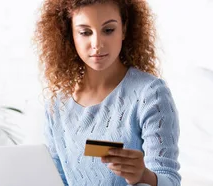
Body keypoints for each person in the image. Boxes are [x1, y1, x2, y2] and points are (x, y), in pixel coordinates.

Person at [33, 0, 181, 185]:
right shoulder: (57, 104)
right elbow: (56, 179)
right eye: (85, 32)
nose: (97, 44)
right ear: (70, 34)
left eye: (108, 30)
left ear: (124, 29)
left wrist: (144, 175)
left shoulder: (150, 95)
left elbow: (170, 180)